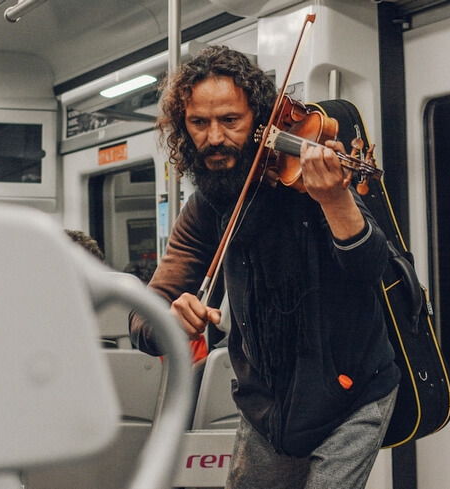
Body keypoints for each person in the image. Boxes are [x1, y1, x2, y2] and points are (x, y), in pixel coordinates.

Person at [129, 45, 400, 488]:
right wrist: (168, 318)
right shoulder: (207, 208)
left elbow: (371, 268)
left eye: (230, 121)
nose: (214, 137)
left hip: (353, 394)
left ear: (259, 120)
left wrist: (335, 199)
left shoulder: (310, 185)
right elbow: (144, 316)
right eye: (199, 123)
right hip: (266, 407)